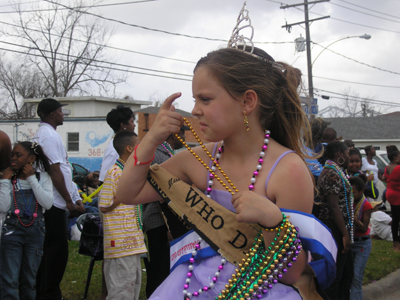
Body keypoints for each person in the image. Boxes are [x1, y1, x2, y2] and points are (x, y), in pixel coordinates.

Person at [115, 5, 337, 299]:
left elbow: (293, 272)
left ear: (247, 102)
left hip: (258, 289)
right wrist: (149, 140)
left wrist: (273, 222)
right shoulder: (197, 158)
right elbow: (127, 194)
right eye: (195, 99)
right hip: (193, 285)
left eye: (205, 99)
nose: (195, 110)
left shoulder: (288, 169)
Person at [32, 97, 84, 299]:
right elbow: (54, 171)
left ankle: (46, 290)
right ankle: (49, 293)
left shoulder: (49, 135)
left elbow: (64, 169)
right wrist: (68, 201)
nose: (63, 114)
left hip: (57, 201)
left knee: (52, 251)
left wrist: (74, 196)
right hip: (53, 203)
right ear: (51, 114)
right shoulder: (48, 137)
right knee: (56, 253)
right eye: (60, 111)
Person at [0, 141, 53, 299]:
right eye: (12, 155)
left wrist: (31, 179)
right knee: (9, 278)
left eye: (18, 155)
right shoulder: (9, 178)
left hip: (36, 233)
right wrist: (4, 181)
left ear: (31, 158)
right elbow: (3, 206)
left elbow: (48, 203)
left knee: (29, 278)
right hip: (11, 233)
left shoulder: (42, 177)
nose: (13, 158)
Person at [142, 125, 190, 297]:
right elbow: (162, 194)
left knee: (165, 266)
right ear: (174, 135)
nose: (184, 138)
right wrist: (169, 225)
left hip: (164, 221)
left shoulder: (167, 154)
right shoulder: (159, 156)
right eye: (182, 134)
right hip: (159, 220)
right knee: (159, 268)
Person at [99, 131, 146, 300]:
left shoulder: (130, 172)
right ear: (129, 148)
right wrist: (123, 195)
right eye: (139, 144)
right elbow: (104, 206)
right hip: (120, 244)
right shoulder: (114, 173)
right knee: (120, 288)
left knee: (132, 285)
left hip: (132, 242)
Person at [317, 141, 353, 300]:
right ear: (339, 155)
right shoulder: (330, 173)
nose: (349, 158)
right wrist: (345, 234)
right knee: (336, 276)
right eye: (347, 154)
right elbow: (333, 206)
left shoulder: (337, 171)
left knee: (347, 274)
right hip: (334, 229)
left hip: (341, 227)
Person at [349, 175, 372, 300]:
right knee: (350, 276)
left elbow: (363, 228)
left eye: (354, 193)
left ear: (361, 191)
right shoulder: (348, 203)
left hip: (362, 244)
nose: (351, 196)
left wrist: (353, 219)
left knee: (357, 277)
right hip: (351, 242)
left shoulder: (366, 205)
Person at [99, 105, 136, 183]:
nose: (134, 125)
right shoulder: (114, 149)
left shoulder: (123, 144)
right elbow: (104, 177)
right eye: (132, 122)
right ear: (123, 126)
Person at [383, 145, 400, 251]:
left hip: (390, 193)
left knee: (395, 219)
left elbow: (385, 178)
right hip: (398, 195)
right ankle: (397, 243)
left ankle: (395, 243)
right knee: (397, 219)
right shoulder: (398, 168)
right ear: (395, 157)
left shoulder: (387, 167)